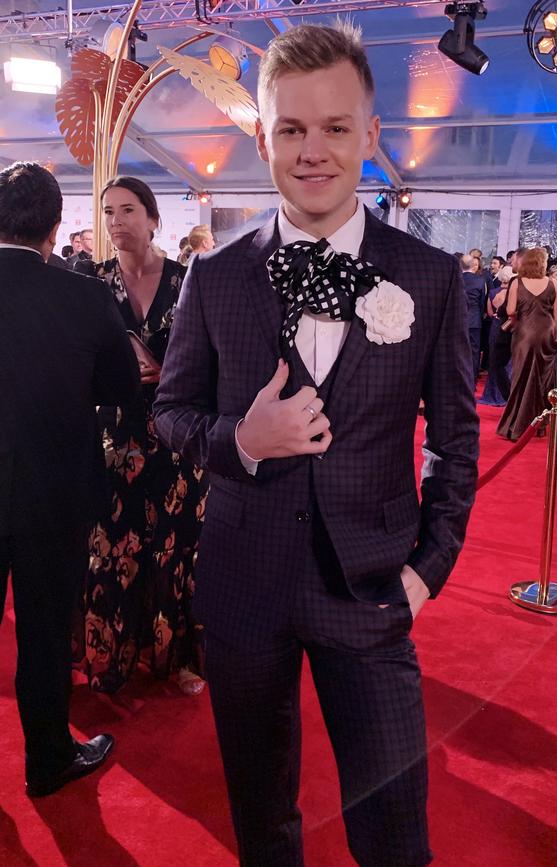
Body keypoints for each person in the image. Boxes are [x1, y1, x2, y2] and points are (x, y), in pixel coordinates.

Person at [154, 22, 479, 867]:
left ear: (370, 136)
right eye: (292, 129)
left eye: (336, 127)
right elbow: (172, 412)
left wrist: (427, 571)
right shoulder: (215, 275)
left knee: (396, 834)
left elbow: (455, 437)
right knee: (264, 826)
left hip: (372, 592)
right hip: (242, 589)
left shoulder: (429, 276)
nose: (313, 150)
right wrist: (245, 442)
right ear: (262, 136)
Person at [0, 161, 140, 796]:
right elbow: (118, 390)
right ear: (57, 228)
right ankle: (48, 757)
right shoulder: (83, 297)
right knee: (45, 628)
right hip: (52, 488)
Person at [73, 176, 208, 696]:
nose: (116, 222)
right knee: (113, 546)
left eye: (128, 210)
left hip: (179, 436)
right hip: (115, 435)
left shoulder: (189, 280)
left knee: (177, 548)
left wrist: (164, 369)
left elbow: (210, 360)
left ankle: (177, 659)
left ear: (153, 219)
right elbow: (76, 361)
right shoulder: (91, 283)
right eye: (108, 212)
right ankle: (112, 656)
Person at [497, 247, 557, 441]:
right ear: (542, 263)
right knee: (541, 379)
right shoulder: (553, 284)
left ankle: (515, 424)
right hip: (545, 334)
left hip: (524, 333)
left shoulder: (517, 282)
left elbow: (510, 310)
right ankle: (538, 424)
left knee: (521, 377)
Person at [479, 264, 513, 406]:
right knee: (507, 363)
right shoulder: (513, 293)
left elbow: (490, 312)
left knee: (494, 361)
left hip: (495, 327)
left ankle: (491, 394)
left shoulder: (493, 292)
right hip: (508, 328)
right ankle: (505, 395)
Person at [461, 253, 485, 383]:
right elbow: (482, 303)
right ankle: (472, 380)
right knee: (474, 353)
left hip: (458, 320)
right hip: (474, 321)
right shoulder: (480, 281)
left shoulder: (457, 278)